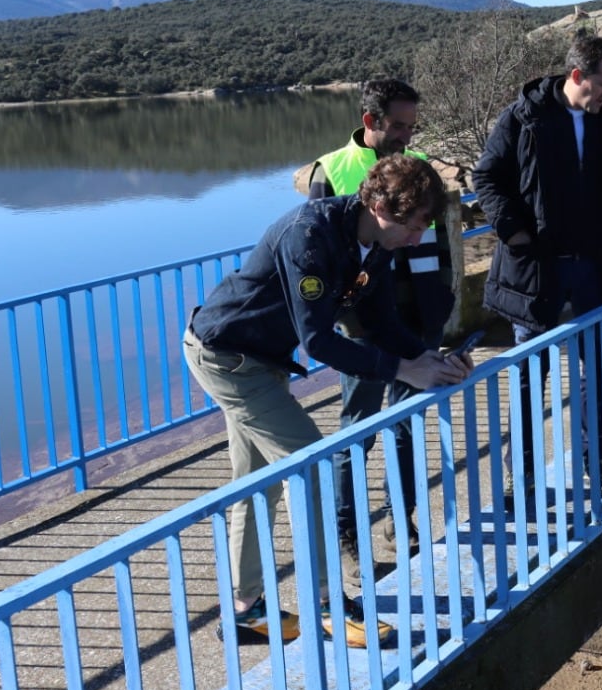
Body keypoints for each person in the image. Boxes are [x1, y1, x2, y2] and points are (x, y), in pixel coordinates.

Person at [183, 155, 469, 647]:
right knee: (311, 467)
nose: (418, 237)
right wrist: (403, 369)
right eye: (413, 224)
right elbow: (317, 341)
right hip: (226, 358)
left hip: (261, 360)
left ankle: (246, 611)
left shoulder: (375, 242)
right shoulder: (310, 236)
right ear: (379, 204)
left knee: (256, 484)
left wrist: (429, 358)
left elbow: (380, 324)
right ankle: (327, 604)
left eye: (424, 225)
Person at [472, 33, 602, 495]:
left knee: (596, 371)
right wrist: (514, 233)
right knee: (531, 376)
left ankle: (600, 466)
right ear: (577, 76)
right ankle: (521, 477)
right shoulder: (524, 118)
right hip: (538, 270)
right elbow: (487, 177)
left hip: (597, 269)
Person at [304, 78, 455, 555]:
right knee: (359, 428)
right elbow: (318, 253)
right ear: (370, 121)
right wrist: (343, 321)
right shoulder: (332, 171)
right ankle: (347, 532)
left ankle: (400, 516)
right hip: (365, 327)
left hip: (417, 316)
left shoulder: (421, 167)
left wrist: (444, 301)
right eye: (397, 126)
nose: (407, 136)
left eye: (412, 126)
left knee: (409, 422)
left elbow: (441, 241)